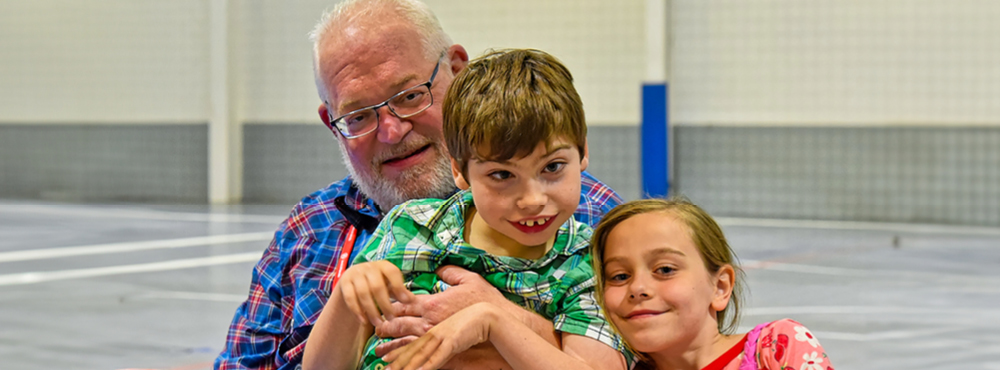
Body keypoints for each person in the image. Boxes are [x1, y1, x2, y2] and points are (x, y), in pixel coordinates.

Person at [215, 0, 623, 369]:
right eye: (358, 116)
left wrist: (499, 320)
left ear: (458, 73)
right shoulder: (309, 229)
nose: (391, 131)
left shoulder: (597, 225)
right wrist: (346, 298)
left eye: (410, 96)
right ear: (332, 125)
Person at [302, 48, 630, 370]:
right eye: (502, 175)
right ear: (459, 171)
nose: (532, 199)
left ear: (583, 151)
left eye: (553, 167)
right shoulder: (411, 228)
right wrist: (347, 295)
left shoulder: (588, 263)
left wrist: (492, 320)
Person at [384, 197, 836, 370]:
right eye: (619, 277)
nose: (638, 288)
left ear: (721, 287)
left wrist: (493, 316)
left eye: (664, 270)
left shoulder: (776, 348)